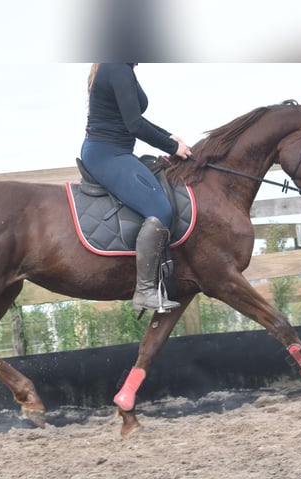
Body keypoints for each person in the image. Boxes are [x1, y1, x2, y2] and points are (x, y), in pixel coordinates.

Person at [80, 63, 192, 313]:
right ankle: (144, 291)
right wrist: (172, 148)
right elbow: (134, 124)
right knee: (160, 210)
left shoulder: (120, 67)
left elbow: (132, 118)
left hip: (117, 151)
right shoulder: (117, 67)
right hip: (106, 154)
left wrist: (169, 136)